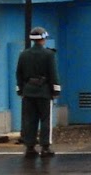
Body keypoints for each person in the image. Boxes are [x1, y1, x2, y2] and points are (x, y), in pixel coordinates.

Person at [16, 26, 60, 158]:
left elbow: (19, 73)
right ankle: (45, 147)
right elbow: (53, 74)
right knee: (46, 120)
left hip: (28, 90)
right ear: (43, 38)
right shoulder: (49, 54)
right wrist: (56, 90)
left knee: (29, 119)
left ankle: (29, 147)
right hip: (44, 91)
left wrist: (20, 89)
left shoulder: (23, 54)